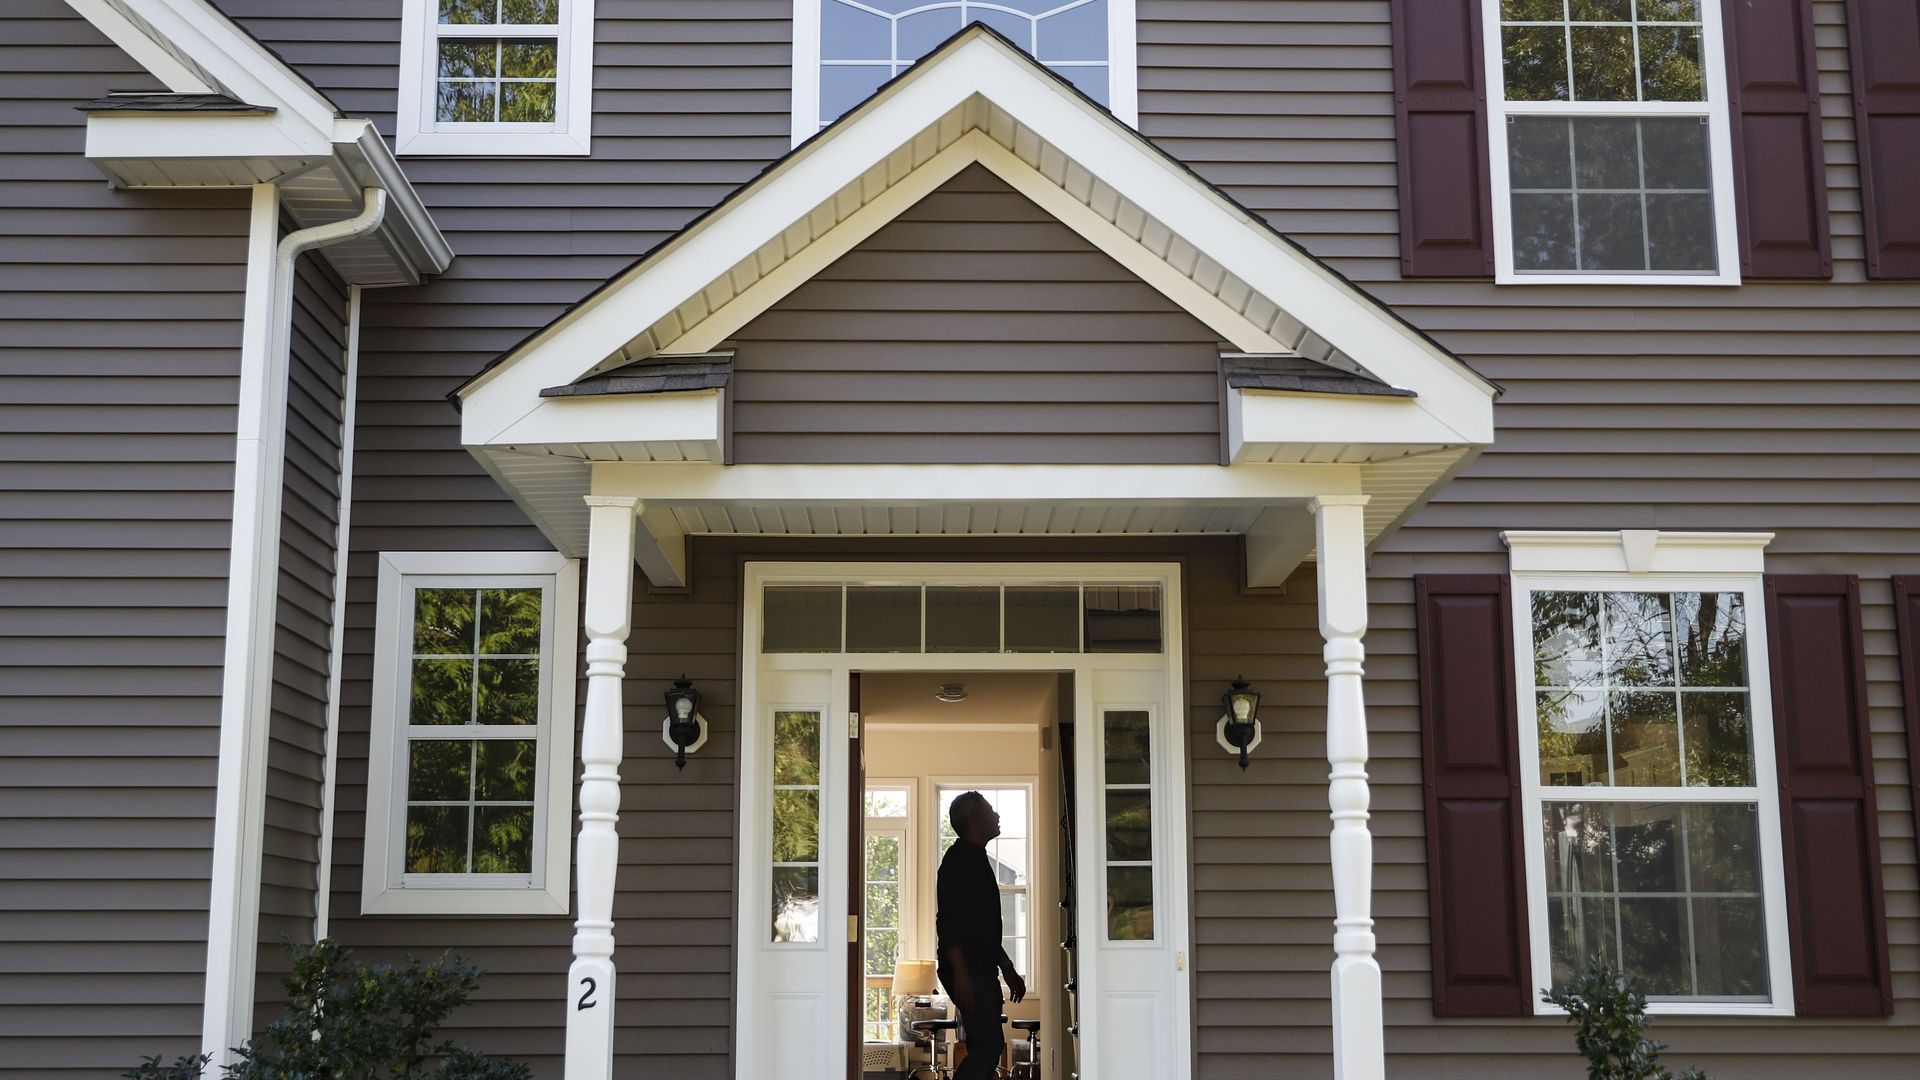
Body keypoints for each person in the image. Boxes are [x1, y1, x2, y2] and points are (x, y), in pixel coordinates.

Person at [936, 791, 1026, 1080]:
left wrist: (1007, 967)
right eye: (990, 810)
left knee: (984, 1045)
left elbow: (982, 927)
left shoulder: (976, 859)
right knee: (989, 1046)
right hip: (968, 970)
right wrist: (961, 974)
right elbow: (947, 922)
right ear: (975, 819)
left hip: (980, 968)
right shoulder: (958, 861)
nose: (997, 815)